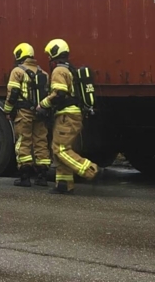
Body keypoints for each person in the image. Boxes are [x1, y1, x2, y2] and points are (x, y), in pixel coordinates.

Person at [38, 38, 99, 194]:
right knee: (60, 149)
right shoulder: (70, 69)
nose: (48, 58)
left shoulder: (59, 70)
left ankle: (89, 169)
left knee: (60, 149)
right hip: (71, 114)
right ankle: (63, 184)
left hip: (67, 116)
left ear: (55, 52)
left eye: (49, 54)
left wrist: (43, 104)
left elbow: (59, 94)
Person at [4, 43, 50, 187]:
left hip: (24, 113)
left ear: (19, 54)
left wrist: (8, 110)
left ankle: (25, 177)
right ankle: (42, 177)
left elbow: (13, 93)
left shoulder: (17, 71)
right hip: (40, 113)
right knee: (41, 142)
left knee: (23, 141)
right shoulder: (43, 73)